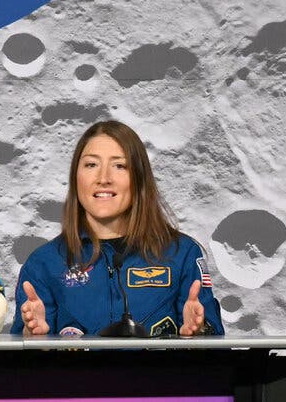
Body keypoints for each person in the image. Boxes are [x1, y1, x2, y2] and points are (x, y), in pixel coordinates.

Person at [13, 120, 223, 337]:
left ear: (139, 178)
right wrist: (31, 335)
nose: (104, 178)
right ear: (76, 178)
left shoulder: (181, 254)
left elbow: (215, 354)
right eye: (91, 165)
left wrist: (199, 331)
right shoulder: (44, 263)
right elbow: (18, 363)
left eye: (120, 166)